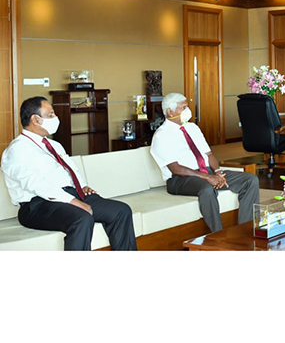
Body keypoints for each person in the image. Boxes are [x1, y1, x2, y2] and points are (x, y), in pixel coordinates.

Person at [1, 97, 137, 251]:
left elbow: (71, 170)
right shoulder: (17, 150)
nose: (55, 118)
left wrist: (82, 186)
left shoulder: (54, 145)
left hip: (70, 195)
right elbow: (36, 184)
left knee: (121, 210)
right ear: (35, 119)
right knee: (82, 218)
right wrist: (73, 201)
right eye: (50, 115)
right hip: (37, 205)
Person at [150, 92, 259, 233]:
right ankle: (217, 234)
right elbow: (175, 169)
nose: (188, 111)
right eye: (183, 108)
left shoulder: (192, 128)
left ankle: (245, 230)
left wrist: (218, 172)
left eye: (187, 107)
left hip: (206, 171)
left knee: (250, 180)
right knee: (207, 188)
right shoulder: (162, 135)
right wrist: (208, 177)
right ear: (170, 112)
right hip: (180, 179)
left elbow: (209, 154)